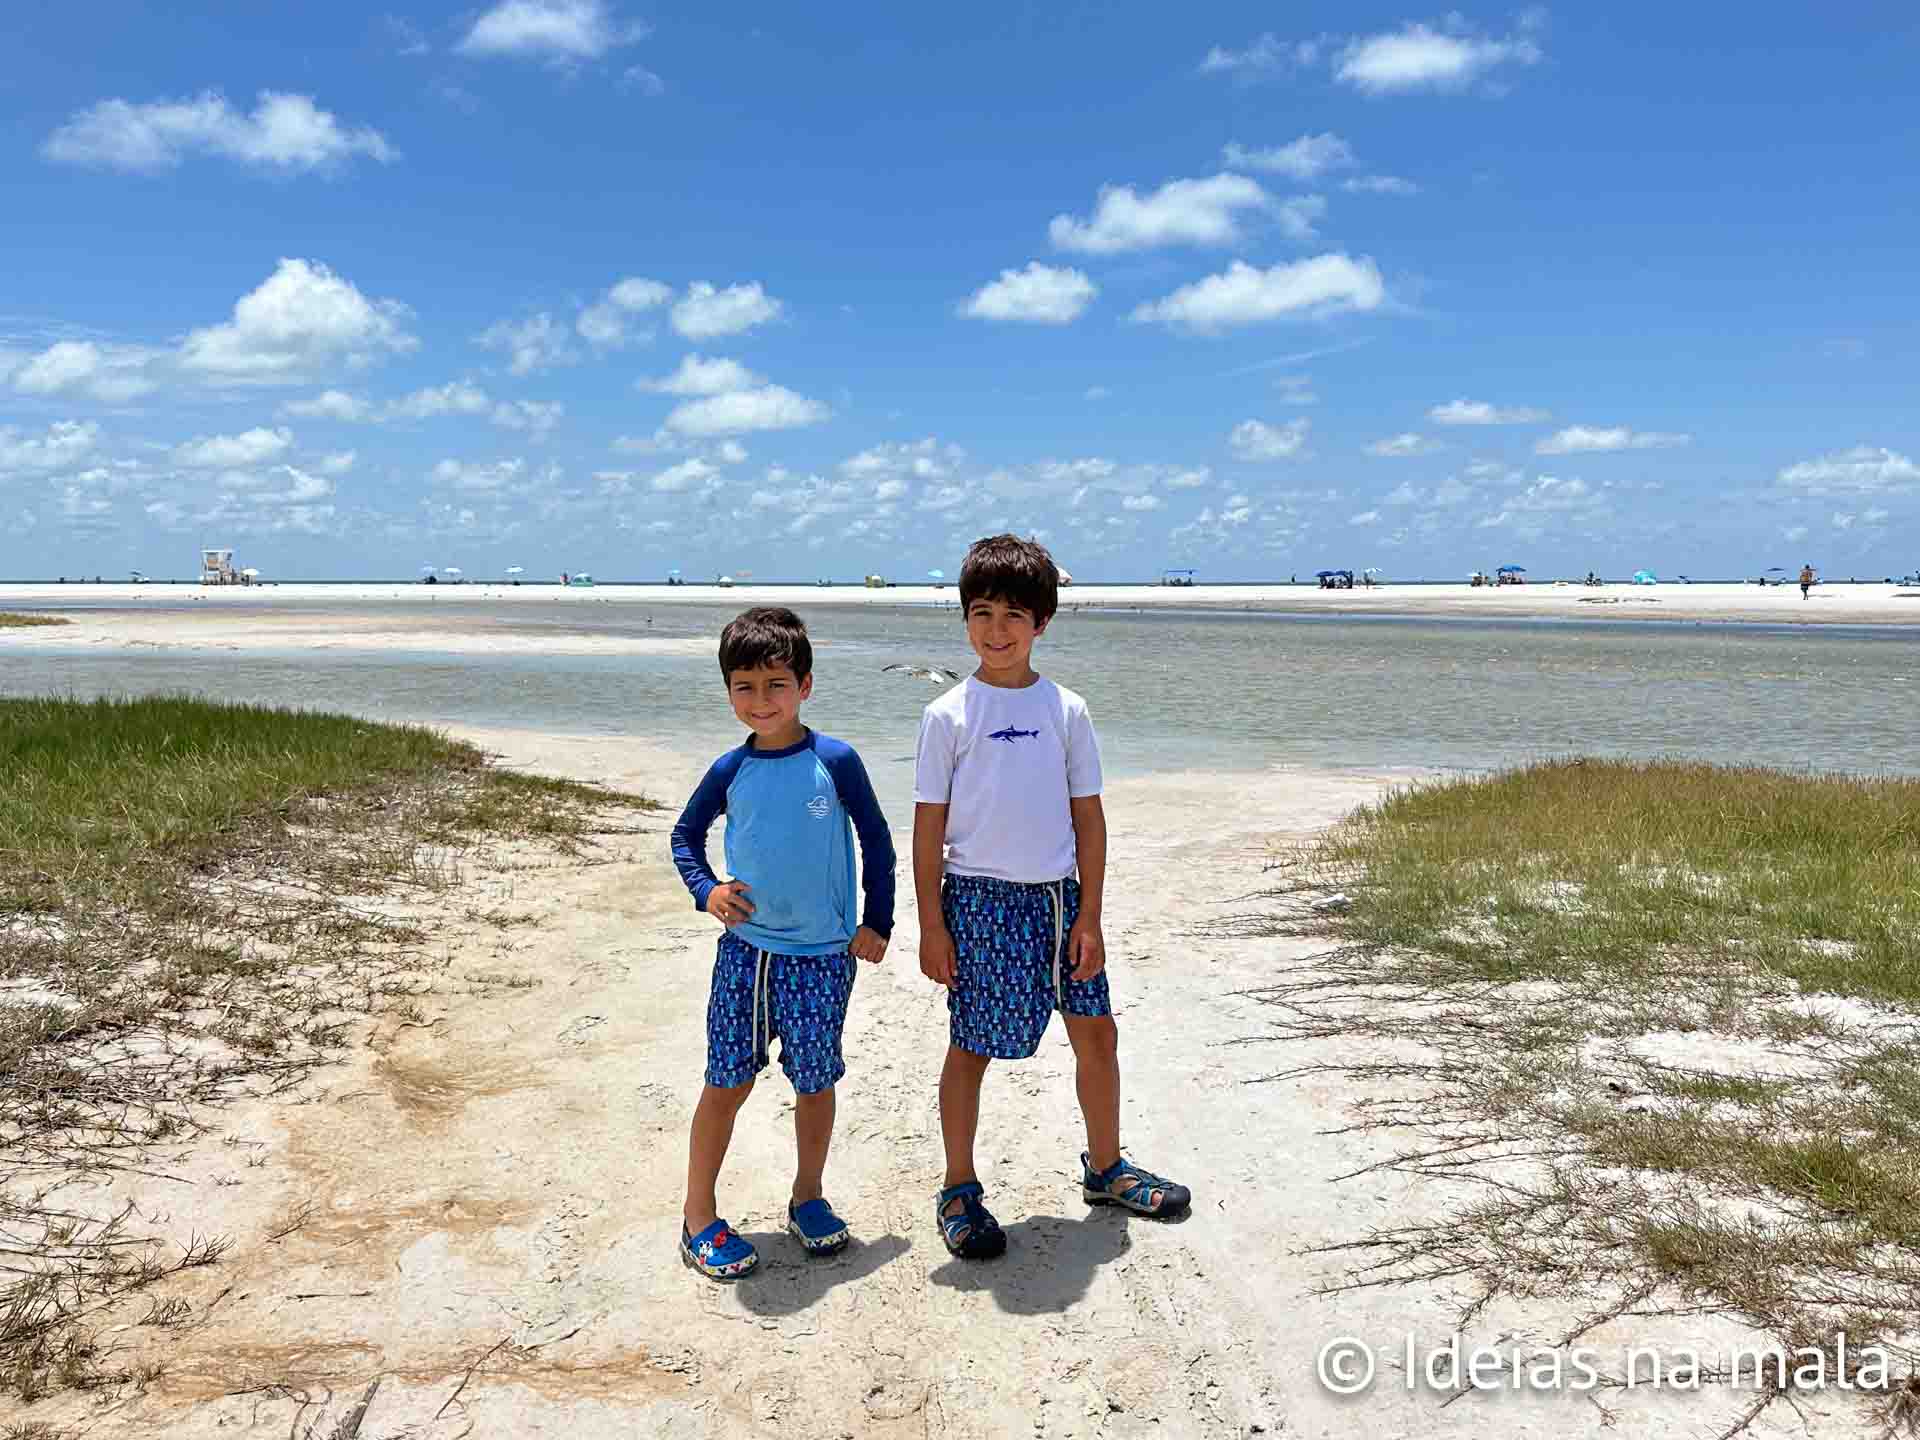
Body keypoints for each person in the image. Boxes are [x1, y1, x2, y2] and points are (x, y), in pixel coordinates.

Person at [912, 534, 1190, 1262]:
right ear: (964, 619)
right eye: (981, 612)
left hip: (1060, 902)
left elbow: (1088, 816)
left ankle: (1106, 1168)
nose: (996, 630)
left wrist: (1090, 913)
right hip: (977, 901)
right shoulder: (947, 715)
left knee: (1096, 1033)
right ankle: (959, 1188)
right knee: (971, 1044)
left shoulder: (1066, 709)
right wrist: (930, 925)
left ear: (1042, 624)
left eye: (1013, 615)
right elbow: (927, 827)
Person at [670, 606, 895, 1280]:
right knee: (726, 1081)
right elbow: (684, 837)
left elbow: (878, 842)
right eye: (744, 687)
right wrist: (706, 890)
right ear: (728, 691)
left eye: (776, 685)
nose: (760, 701)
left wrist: (876, 922)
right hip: (745, 954)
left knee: (815, 1080)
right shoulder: (728, 768)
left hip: (825, 956)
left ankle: (808, 1197)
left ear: (805, 686)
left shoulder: (836, 760)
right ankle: (698, 1215)